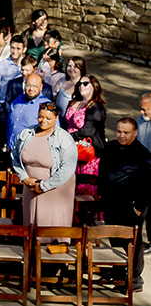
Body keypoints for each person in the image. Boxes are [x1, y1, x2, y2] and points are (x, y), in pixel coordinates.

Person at [98, 118, 151, 290]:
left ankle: (135, 278)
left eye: (126, 133)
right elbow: (103, 170)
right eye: (119, 131)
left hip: (131, 206)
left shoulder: (142, 154)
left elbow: (148, 184)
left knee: (132, 243)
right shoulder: (110, 147)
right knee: (115, 239)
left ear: (135, 133)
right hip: (111, 202)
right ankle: (119, 273)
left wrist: (138, 207)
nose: (121, 135)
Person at [10, 100, 77, 231]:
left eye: (48, 118)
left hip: (55, 187)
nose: (43, 120)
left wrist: (44, 186)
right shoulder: (27, 133)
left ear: (56, 118)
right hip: (31, 186)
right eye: (40, 116)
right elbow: (15, 157)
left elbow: (68, 168)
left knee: (50, 226)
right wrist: (24, 177)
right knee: (31, 226)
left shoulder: (64, 139)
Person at [62, 73, 107, 204]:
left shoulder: (96, 107)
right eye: (80, 83)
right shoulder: (75, 103)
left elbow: (88, 130)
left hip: (88, 154)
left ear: (95, 87)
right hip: (70, 151)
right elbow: (65, 123)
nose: (82, 86)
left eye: (86, 83)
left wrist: (66, 137)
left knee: (86, 188)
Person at [6, 71, 46, 154]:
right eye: (28, 85)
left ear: (41, 87)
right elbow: (10, 123)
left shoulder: (45, 105)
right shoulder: (17, 101)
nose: (31, 89)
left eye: (35, 86)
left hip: (31, 153)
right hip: (12, 150)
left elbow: (52, 132)